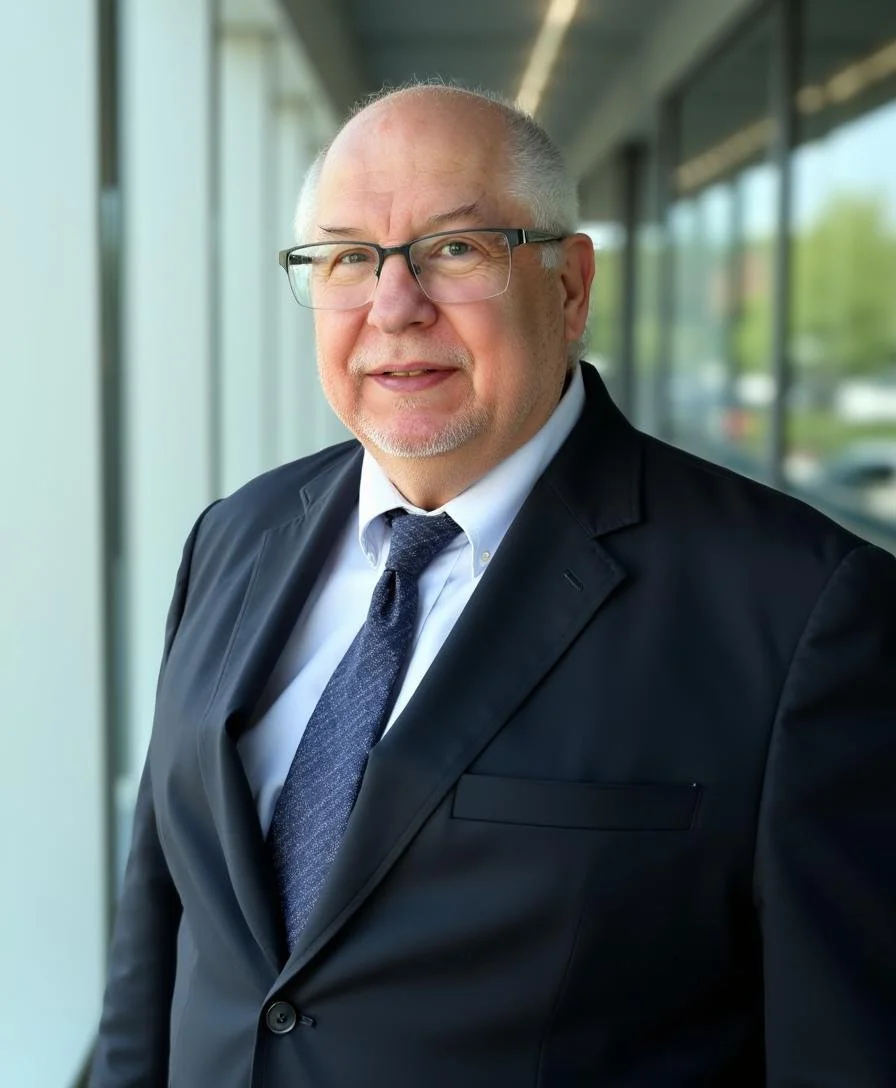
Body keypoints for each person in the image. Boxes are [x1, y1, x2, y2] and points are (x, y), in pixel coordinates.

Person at [91, 84, 896, 1088]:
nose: (393, 306)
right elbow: (156, 935)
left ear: (567, 286)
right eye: (347, 256)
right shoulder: (233, 537)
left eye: (454, 248)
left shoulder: (800, 613)